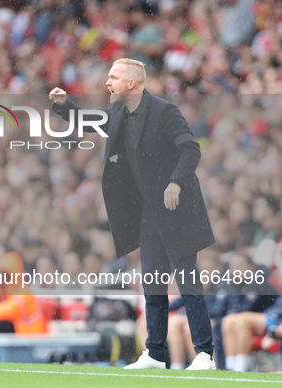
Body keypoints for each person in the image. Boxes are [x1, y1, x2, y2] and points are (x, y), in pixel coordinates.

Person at [50, 58, 216, 370]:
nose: (107, 83)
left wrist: (175, 182)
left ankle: (204, 354)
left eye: (113, 77)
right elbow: (88, 121)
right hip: (149, 213)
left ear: (132, 83)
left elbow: (190, 148)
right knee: (152, 284)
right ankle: (154, 353)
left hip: (176, 209)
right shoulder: (117, 113)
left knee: (187, 281)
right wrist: (64, 106)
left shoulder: (164, 111)